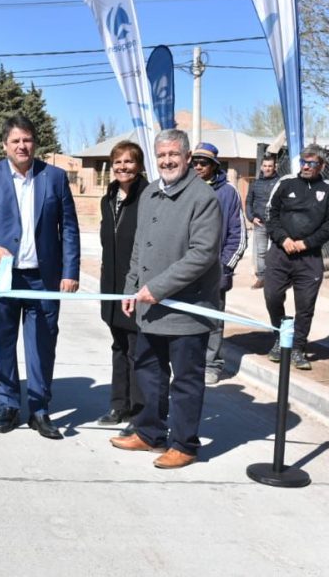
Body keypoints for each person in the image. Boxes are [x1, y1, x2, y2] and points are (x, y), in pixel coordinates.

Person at [110, 128, 221, 469]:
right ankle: (149, 433)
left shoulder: (203, 197)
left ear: (187, 157)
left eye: (174, 154)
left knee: (185, 381)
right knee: (149, 373)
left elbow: (202, 255)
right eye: (161, 155)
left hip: (187, 311)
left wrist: (157, 288)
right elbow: (139, 248)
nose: (167, 161)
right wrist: (131, 289)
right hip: (150, 309)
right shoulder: (150, 193)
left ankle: (184, 445)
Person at [0, 114, 80, 441]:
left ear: (35, 143)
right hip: (1, 277)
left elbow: (68, 228)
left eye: (27, 140)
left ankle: (40, 410)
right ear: (5, 145)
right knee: (2, 343)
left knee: (42, 345)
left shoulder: (54, 177)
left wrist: (70, 271)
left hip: (43, 279)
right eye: (15, 140)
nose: (21, 146)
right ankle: (9, 406)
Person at [263, 144, 329, 370]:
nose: (306, 167)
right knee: (272, 296)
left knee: (305, 305)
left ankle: (297, 347)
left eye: (312, 163)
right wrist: (283, 239)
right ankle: (280, 338)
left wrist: (307, 243)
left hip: (310, 257)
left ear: (322, 166)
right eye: (304, 162)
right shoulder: (286, 183)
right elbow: (270, 214)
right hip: (281, 252)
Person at [97, 141, 146, 426]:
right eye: (118, 162)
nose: (123, 167)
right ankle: (119, 406)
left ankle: (140, 414)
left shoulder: (149, 197)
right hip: (112, 287)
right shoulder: (108, 199)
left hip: (137, 287)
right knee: (119, 346)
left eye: (129, 161)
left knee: (138, 350)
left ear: (139, 165)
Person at [191, 143, 246, 386]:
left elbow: (238, 234)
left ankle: (211, 364)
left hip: (214, 271)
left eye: (203, 163)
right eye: (194, 162)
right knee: (185, 318)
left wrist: (225, 267)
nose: (198, 166)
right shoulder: (184, 187)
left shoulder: (228, 192)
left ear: (214, 165)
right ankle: (188, 363)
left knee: (212, 319)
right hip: (185, 270)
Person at [244, 155, 279, 289]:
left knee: (277, 252)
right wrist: (251, 217)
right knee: (261, 252)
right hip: (260, 224)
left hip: (276, 224)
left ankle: (276, 278)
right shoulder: (255, 184)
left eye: (270, 166)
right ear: (261, 167)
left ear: (275, 167)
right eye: (265, 166)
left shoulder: (281, 183)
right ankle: (262, 278)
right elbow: (248, 202)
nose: (267, 168)